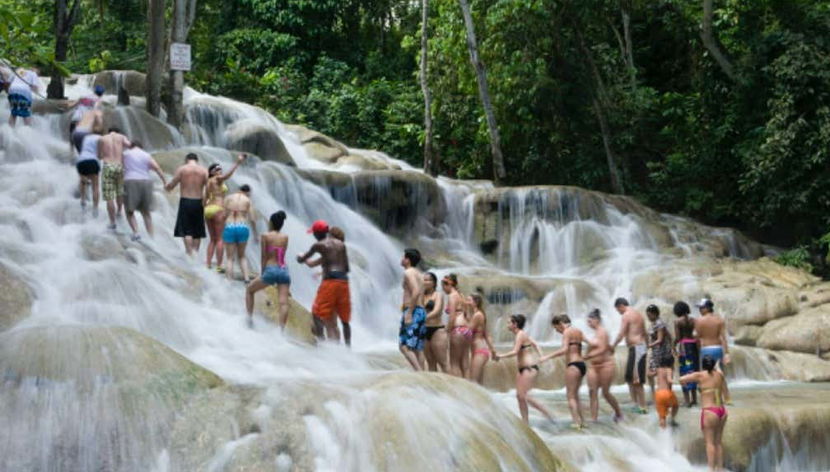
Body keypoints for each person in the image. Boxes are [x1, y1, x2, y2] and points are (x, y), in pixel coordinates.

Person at [297, 220, 352, 345]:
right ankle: (346, 349)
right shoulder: (341, 246)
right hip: (343, 282)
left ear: (316, 234)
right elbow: (346, 268)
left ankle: (321, 345)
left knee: (317, 314)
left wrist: (300, 257)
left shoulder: (319, 245)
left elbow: (303, 259)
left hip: (330, 284)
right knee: (340, 321)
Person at [494, 314, 554, 424]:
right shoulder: (522, 335)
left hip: (529, 368)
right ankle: (525, 422)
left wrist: (500, 356)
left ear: (515, 324)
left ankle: (549, 415)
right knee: (520, 396)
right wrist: (541, 355)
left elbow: (515, 352)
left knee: (525, 396)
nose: (507, 325)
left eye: (509, 322)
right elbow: (535, 344)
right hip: (523, 369)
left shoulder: (520, 335)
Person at [680, 356, 730, 471]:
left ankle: (711, 469)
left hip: (709, 411)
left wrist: (686, 384)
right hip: (721, 411)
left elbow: (681, 379)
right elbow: (725, 392)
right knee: (718, 443)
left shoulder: (700, 375)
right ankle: (720, 468)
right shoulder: (719, 375)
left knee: (709, 443)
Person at [541, 314, 587, 429]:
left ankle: (576, 423)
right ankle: (582, 422)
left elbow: (564, 349)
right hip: (582, 365)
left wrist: (547, 357)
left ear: (561, 323)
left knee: (570, 396)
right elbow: (592, 343)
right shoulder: (578, 331)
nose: (557, 331)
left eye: (556, 328)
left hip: (573, 366)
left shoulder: (567, 332)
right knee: (576, 396)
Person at [246, 211, 290, 329]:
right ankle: (281, 331)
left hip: (271, 269)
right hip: (283, 270)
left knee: (250, 290)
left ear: (271, 223)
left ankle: (249, 320)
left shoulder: (265, 236)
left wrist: (263, 272)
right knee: (283, 302)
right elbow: (282, 255)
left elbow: (264, 256)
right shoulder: (285, 237)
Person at [204, 156, 245, 271]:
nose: (219, 170)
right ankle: (219, 265)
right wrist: (237, 162)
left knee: (212, 239)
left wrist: (203, 210)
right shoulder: (217, 179)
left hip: (208, 209)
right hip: (218, 208)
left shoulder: (208, 182)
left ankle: (208, 263)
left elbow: (205, 198)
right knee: (220, 239)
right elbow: (227, 176)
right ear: (212, 172)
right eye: (217, 169)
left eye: (220, 168)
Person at [166, 153, 209, 256]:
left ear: (186, 160)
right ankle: (196, 254)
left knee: (187, 230)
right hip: (199, 202)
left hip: (185, 201)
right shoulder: (204, 171)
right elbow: (209, 187)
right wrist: (206, 200)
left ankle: (189, 254)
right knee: (197, 231)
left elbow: (172, 184)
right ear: (197, 160)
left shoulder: (182, 169)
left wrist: (168, 187)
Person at [584, 309, 623, 423]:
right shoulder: (594, 334)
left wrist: (588, 356)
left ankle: (618, 413)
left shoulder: (603, 332)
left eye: (590, 321)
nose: (588, 324)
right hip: (593, 366)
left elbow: (602, 349)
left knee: (605, 393)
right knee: (592, 392)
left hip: (606, 365)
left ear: (597, 320)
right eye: (587, 321)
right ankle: (594, 419)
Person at [611, 297, 648, 414]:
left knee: (636, 379)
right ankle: (635, 404)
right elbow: (645, 332)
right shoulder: (638, 314)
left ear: (621, 306)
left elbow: (621, 333)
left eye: (618, 310)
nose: (619, 312)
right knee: (629, 378)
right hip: (639, 348)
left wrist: (613, 346)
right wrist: (647, 346)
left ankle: (642, 406)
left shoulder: (626, 315)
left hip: (637, 348)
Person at [122, 141, 166, 240]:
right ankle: (151, 236)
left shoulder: (126, 154)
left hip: (131, 181)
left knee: (129, 211)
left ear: (131, 146)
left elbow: (119, 167)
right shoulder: (146, 155)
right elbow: (157, 168)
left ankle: (136, 232)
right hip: (146, 182)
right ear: (141, 147)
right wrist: (164, 181)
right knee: (146, 212)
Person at [647, 305, 679, 428]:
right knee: (661, 376)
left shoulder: (660, 324)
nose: (649, 317)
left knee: (660, 375)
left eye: (650, 315)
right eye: (648, 315)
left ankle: (664, 398)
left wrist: (649, 345)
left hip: (662, 353)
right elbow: (669, 336)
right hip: (657, 352)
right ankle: (663, 397)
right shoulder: (654, 324)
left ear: (655, 313)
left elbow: (660, 340)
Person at [97, 128, 131, 230]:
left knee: (109, 196)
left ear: (109, 131)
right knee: (119, 191)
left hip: (108, 166)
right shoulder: (121, 137)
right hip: (119, 166)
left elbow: (99, 156)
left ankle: (112, 222)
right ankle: (119, 211)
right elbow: (130, 146)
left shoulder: (102, 139)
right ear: (117, 131)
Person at [399, 248, 427, 371]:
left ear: (408, 260)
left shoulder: (408, 272)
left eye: (403, 257)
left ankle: (419, 372)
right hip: (420, 311)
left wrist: (409, 313)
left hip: (413, 311)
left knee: (404, 346)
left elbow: (415, 291)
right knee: (417, 348)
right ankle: (422, 374)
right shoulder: (419, 274)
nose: (401, 259)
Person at [223, 184, 256, 281]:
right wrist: (255, 233)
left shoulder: (228, 198)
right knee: (242, 256)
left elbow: (224, 214)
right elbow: (252, 219)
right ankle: (246, 278)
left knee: (230, 258)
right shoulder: (247, 200)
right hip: (242, 226)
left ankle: (229, 279)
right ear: (248, 192)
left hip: (230, 226)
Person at [444, 274, 471, 378]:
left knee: (454, 364)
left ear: (448, 285)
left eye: (443, 287)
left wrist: (447, 330)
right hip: (466, 330)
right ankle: (468, 385)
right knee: (465, 364)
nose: (443, 290)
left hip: (457, 330)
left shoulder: (452, 296)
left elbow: (451, 317)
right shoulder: (461, 295)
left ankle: (459, 388)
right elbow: (467, 314)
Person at [674, 301, 700, 407]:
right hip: (693, 347)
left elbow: (678, 338)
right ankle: (694, 399)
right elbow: (696, 335)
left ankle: (687, 401)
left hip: (684, 347)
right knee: (693, 371)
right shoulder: (694, 320)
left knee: (684, 373)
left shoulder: (677, 321)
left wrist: (673, 345)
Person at [467, 292, 496, 384]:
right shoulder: (479, 314)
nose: (467, 302)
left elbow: (467, 331)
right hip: (480, 351)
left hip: (479, 351)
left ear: (475, 302)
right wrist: (493, 350)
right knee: (478, 383)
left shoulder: (477, 315)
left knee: (473, 382)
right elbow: (486, 334)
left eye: (469, 300)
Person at [422, 272, 448, 372]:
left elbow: (437, 311)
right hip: (424, 330)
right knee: (430, 362)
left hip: (437, 329)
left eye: (428, 280)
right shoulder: (420, 295)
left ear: (434, 283)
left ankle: (449, 381)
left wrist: (423, 318)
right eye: (424, 280)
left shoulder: (438, 295)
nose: (425, 282)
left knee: (443, 362)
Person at [75, 127, 103, 216]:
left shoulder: (86, 138)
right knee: (95, 186)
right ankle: (95, 209)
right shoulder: (100, 138)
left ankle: (83, 201)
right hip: (92, 161)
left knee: (82, 181)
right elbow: (99, 154)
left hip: (81, 160)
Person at [69, 85, 104, 149]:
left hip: (75, 117)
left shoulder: (84, 96)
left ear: (94, 91)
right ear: (102, 94)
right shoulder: (98, 100)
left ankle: (71, 150)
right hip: (84, 121)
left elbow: (72, 105)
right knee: (84, 139)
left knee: (72, 135)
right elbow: (95, 110)